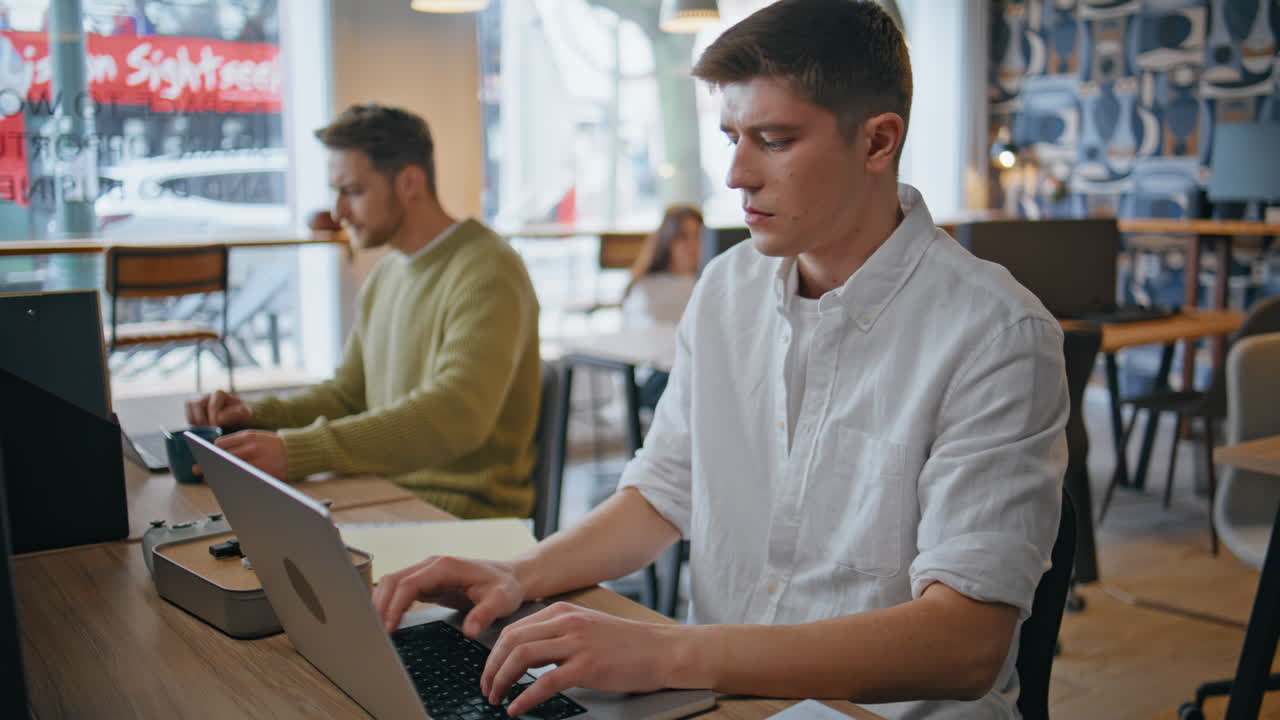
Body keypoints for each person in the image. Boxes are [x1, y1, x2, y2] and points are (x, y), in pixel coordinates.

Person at [374, 1, 1068, 717]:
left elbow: (965, 645)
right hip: (720, 693)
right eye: (732, 137)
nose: (736, 174)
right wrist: (516, 576)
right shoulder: (727, 288)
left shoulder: (997, 333)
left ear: (878, 142)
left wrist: (667, 653)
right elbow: (663, 491)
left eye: (772, 139)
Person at [186, 104, 541, 520]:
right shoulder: (388, 272)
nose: (338, 212)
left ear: (410, 182)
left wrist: (296, 451)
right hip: (382, 495)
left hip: (461, 519)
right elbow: (349, 395)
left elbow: (457, 414)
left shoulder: (488, 271)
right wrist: (255, 417)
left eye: (352, 191)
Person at [621, 204, 703, 408]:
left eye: (698, 236)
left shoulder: (710, 283)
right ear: (668, 241)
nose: (693, 245)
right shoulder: (646, 288)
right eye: (683, 237)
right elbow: (654, 344)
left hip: (697, 370)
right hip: (657, 377)